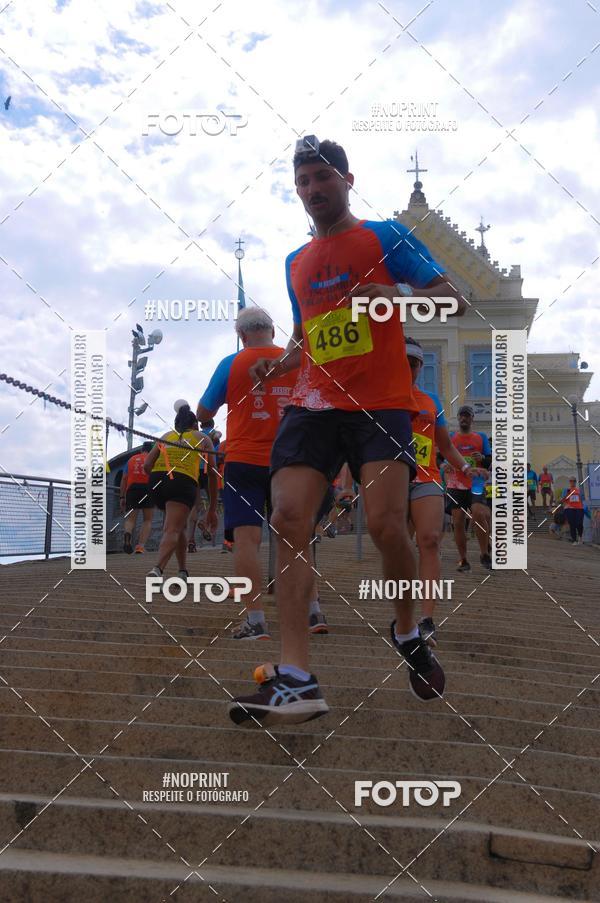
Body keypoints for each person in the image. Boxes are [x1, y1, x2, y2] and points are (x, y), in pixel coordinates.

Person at [228, 135, 465, 728]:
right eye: (303, 181)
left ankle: (407, 628)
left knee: (387, 525)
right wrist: (282, 365)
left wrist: (398, 295)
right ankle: (296, 679)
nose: (312, 190)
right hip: (313, 404)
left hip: (380, 404)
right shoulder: (295, 262)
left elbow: (454, 302)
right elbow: (310, 333)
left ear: (347, 180)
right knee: (286, 517)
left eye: (322, 178)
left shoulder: (385, 237)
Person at [197, 306, 300, 639]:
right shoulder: (295, 359)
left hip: (242, 460)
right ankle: (310, 613)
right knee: (295, 538)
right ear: (272, 329)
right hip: (289, 459)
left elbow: (204, 412)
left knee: (246, 540)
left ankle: (255, 619)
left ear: (241, 335)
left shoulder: (231, 363)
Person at [406, 339, 479, 647]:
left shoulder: (430, 400)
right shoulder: (380, 394)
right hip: (390, 479)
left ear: (421, 367)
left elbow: (445, 445)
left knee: (430, 540)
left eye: (415, 362)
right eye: (404, 360)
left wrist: (464, 467)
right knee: (398, 546)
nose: (409, 366)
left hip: (426, 477)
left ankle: (426, 619)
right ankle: (405, 613)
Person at [143, 401, 218, 582]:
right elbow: (213, 473)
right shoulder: (202, 437)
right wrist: (212, 507)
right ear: (195, 425)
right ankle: (157, 570)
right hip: (182, 481)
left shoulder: (166, 436)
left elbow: (147, 465)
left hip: (158, 480)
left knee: (179, 527)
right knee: (173, 529)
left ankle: (183, 570)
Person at [445, 405, 492, 572]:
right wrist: (445, 465)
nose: (464, 418)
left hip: (476, 483)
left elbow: (491, 460)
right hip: (455, 483)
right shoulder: (451, 437)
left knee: (478, 513)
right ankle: (463, 560)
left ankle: (484, 553)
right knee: (457, 521)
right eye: (461, 416)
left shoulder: (481, 437)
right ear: (458, 418)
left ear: (473, 419)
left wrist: (483, 458)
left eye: (467, 416)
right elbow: (443, 457)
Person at [119, 441, 155, 554]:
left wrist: (122, 497)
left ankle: (127, 534)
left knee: (130, 519)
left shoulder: (131, 460)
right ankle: (140, 546)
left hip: (132, 488)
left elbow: (124, 479)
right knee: (147, 520)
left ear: (141, 450)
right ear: (152, 451)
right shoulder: (153, 460)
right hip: (148, 487)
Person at [561, 477, 585, 544]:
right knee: (572, 524)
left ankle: (580, 536)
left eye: (574, 481)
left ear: (575, 482)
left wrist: (585, 509)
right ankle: (574, 540)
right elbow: (563, 500)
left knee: (579, 523)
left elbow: (582, 500)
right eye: (571, 481)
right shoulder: (566, 490)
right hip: (569, 509)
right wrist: (568, 494)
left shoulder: (579, 490)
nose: (572, 482)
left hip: (579, 508)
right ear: (569, 482)